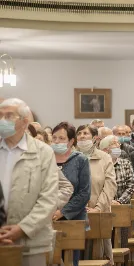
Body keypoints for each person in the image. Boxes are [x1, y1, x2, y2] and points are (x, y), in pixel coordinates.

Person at [0, 98, 59, 265]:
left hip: (32, 243)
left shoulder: (43, 153)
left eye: (9, 116)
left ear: (25, 122)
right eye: (0, 116)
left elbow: (48, 198)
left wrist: (22, 229)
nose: (2, 120)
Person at [51, 122, 91, 266]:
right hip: (48, 216)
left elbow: (84, 192)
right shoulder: (46, 158)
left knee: (70, 260)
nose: (57, 141)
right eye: (54, 138)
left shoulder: (80, 160)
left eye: (61, 138)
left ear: (71, 141)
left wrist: (62, 211)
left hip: (73, 217)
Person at [76, 124, 117, 263]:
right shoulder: (71, 156)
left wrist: (98, 208)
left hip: (99, 212)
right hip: (75, 213)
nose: (82, 136)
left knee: (99, 253)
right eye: (79, 133)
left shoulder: (104, 157)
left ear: (94, 138)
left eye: (86, 133)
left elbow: (110, 186)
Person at [100, 135, 134, 248]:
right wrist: (108, 202)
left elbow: (131, 186)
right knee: (104, 242)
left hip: (121, 207)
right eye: (114, 143)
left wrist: (119, 202)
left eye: (118, 143)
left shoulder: (125, 163)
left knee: (122, 242)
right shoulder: (99, 164)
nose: (118, 145)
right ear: (105, 149)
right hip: (103, 208)